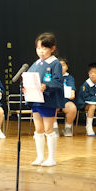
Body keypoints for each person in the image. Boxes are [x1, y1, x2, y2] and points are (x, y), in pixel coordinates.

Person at [26, 32, 64, 166]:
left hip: (49, 100)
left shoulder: (55, 63)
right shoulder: (36, 63)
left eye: (44, 48)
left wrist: (46, 86)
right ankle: (40, 156)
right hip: (36, 100)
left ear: (52, 48)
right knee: (38, 129)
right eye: (38, 48)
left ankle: (51, 158)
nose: (40, 51)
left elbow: (58, 82)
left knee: (49, 128)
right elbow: (28, 77)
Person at [53, 58, 77, 137]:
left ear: (67, 67)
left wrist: (72, 93)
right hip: (54, 100)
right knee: (51, 106)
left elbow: (72, 89)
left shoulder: (69, 78)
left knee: (72, 108)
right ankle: (54, 128)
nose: (61, 67)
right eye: (58, 65)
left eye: (63, 65)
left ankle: (68, 127)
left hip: (65, 101)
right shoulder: (52, 76)